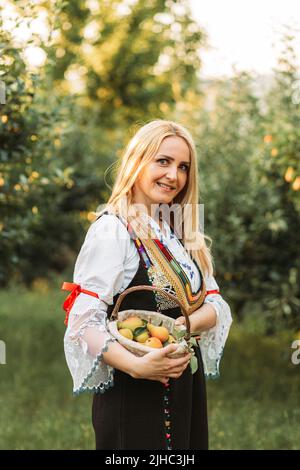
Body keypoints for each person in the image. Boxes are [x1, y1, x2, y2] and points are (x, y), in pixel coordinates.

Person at [62, 119, 233, 450]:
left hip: (185, 387)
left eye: (183, 167)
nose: (174, 175)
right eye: (163, 161)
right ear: (137, 160)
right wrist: (139, 366)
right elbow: (82, 322)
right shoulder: (113, 230)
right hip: (136, 393)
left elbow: (216, 303)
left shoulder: (177, 230)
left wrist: (182, 326)